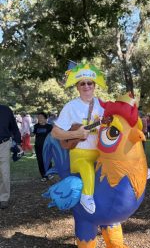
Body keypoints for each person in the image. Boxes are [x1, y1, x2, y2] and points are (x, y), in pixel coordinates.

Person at [51, 63, 106, 214]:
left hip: (100, 153)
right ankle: (86, 196)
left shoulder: (102, 106)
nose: (86, 86)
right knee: (87, 168)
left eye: (89, 83)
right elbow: (55, 133)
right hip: (79, 155)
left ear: (94, 85)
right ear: (77, 86)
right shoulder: (70, 106)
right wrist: (75, 134)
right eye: (82, 83)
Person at [0, 105, 23, 209]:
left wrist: (18, 143)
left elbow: (14, 127)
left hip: (4, 144)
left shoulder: (6, 110)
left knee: (4, 173)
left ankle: (3, 198)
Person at [33, 112, 54, 182]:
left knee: (47, 160)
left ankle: (49, 173)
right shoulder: (36, 126)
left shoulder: (49, 126)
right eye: (38, 117)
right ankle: (44, 175)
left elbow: (53, 136)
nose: (39, 119)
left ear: (45, 118)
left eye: (41, 117)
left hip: (47, 146)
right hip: (38, 146)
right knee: (40, 161)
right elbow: (33, 134)